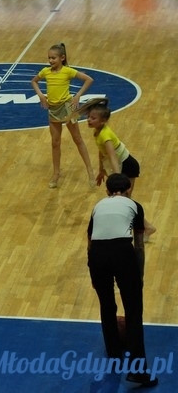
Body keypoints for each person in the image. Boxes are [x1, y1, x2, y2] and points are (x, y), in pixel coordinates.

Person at [87, 174, 158, 389]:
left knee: (106, 304)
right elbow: (139, 244)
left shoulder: (98, 206)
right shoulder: (134, 205)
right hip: (122, 252)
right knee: (133, 310)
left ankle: (113, 350)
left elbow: (89, 239)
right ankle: (138, 372)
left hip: (97, 255)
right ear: (128, 190)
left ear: (107, 191)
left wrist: (93, 267)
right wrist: (140, 274)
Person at [83, 98, 157, 238]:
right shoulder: (98, 132)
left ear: (103, 121)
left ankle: (147, 227)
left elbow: (112, 156)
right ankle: (146, 227)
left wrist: (117, 179)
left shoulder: (105, 135)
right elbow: (102, 152)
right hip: (121, 166)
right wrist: (101, 170)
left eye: (93, 118)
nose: (89, 120)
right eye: (88, 117)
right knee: (123, 199)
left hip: (127, 166)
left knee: (124, 199)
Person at [30, 43, 95, 189]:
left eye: (53, 58)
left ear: (62, 58)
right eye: (49, 58)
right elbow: (34, 81)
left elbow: (89, 79)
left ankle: (90, 171)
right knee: (55, 142)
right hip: (53, 109)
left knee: (77, 139)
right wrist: (41, 95)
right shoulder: (45, 72)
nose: (51, 61)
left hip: (67, 108)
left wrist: (77, 95)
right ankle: (56, 173)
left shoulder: (68, 71)